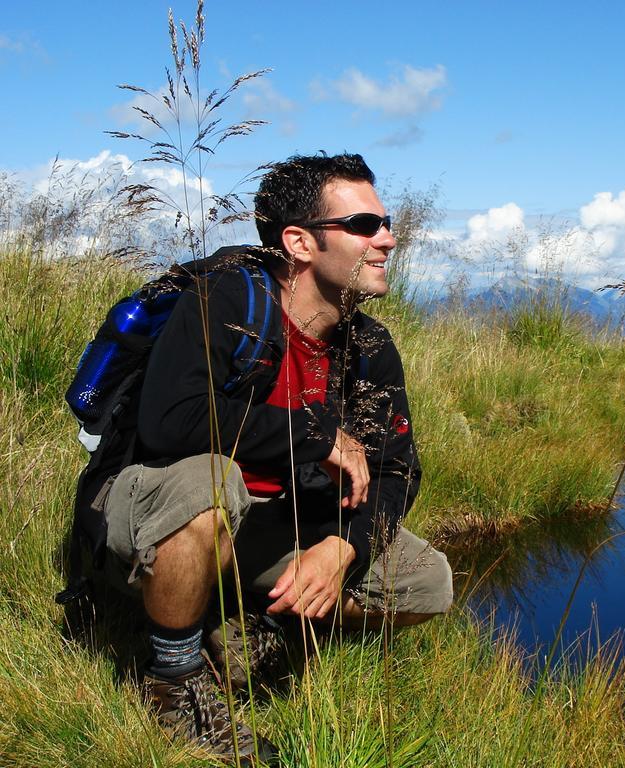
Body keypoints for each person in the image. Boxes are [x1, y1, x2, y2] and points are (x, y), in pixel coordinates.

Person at [93, 153, 452, 764]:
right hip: (156, 513)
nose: (388, 238)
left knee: (426, 581)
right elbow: (169, 422)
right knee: (212, 482)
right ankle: (174, 684)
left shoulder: (367, 347)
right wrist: (311, 435)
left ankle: (249, 630)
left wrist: (346, 546)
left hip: (266, 523)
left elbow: (396, 471)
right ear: (299, 241)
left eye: (385, 222)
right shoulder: (227, 302)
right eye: (365, 225)